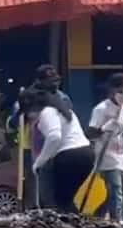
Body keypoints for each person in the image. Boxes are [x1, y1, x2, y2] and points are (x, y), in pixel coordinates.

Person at [30, 85, 95, 214]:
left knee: (58, 200)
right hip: (86, 154)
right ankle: (76, 225)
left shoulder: (47, 112)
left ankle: (66, 227)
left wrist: (39, 162)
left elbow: (54, 137)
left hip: (69, 156)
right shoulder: (63, 109)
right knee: (66, 199)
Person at [87, 73, 123, 221]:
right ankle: (116, 221)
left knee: (119, 192)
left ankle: (108, 219)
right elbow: (90, 133)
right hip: (105, 158)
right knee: (115, 190)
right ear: (112, 91)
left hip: (121, 157)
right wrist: (103, 129)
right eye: (120, 91)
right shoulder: (101, 109)